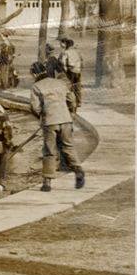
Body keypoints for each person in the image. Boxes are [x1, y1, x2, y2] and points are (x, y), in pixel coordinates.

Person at [29, 61, 83, 192]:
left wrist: (41, 117)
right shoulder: (60, 83)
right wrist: (69, 112)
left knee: (49, 150)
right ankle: (78, 170)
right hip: (65, 119)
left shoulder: (36, 87)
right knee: (68, 146)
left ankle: (47, 182)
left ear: (34, 73)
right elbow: (72, 100)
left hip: (50, 122)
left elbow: (35, 107)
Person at [58, 36, 83, 106]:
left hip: (71, 71)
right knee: (78, 86)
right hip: (78, 70)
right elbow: (81, 60)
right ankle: (79, 101)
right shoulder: (77, 51)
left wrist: (65, 69)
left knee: (69, 86)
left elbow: (63, 62)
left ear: (67, 45)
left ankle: (70, 101)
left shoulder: (66, 52)